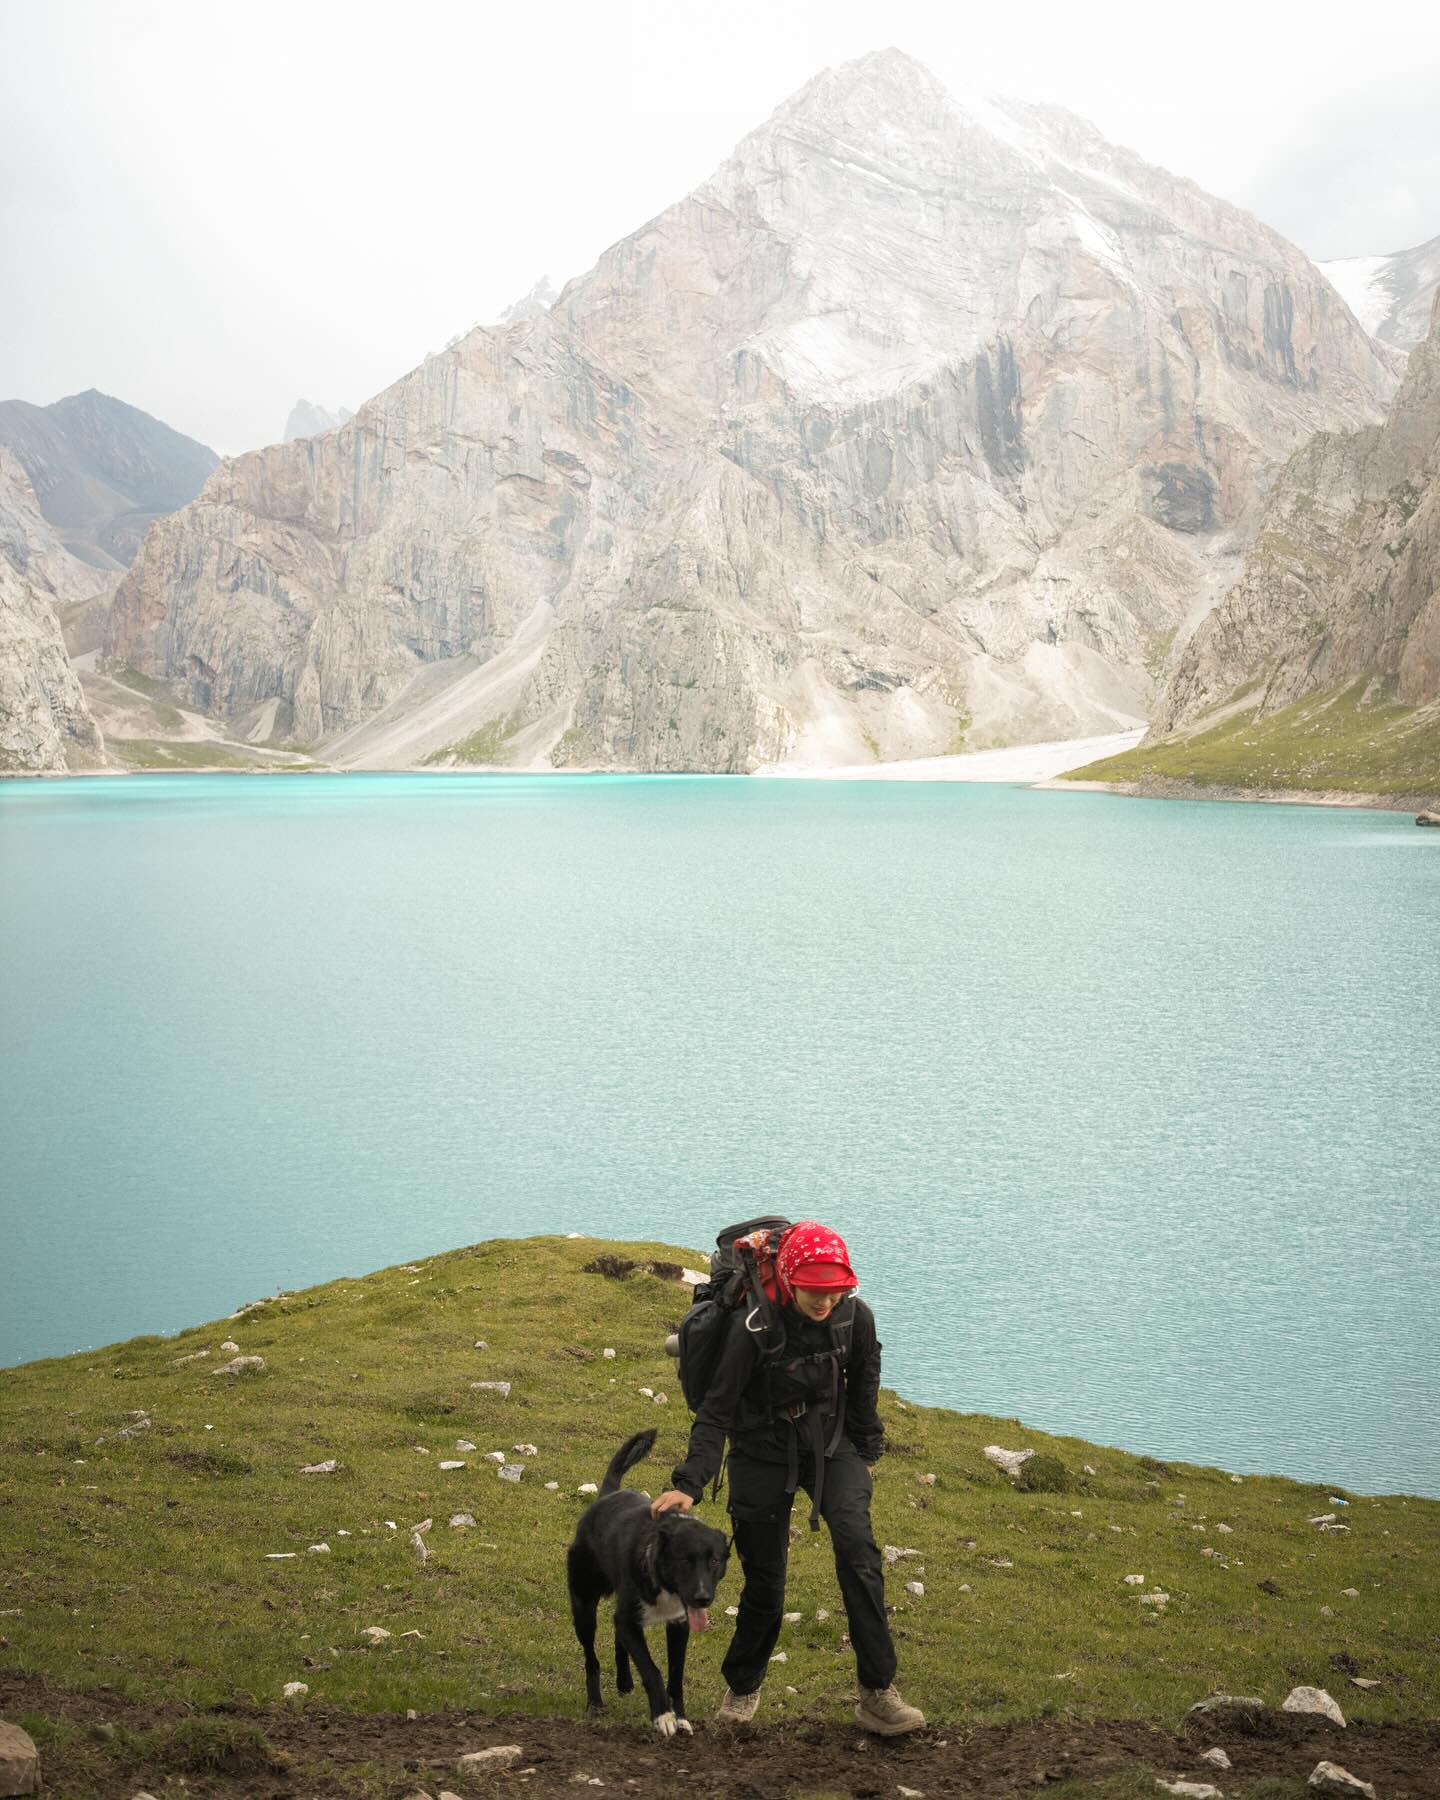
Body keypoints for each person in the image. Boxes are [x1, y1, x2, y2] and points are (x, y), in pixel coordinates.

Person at [649, 1221, 925, 1735]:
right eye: (814, 1292)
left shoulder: (854, 1318)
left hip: (830, 1443)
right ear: (791, 1279)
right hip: (760, 1448)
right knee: (767, 1580)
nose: (825, 1303)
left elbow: (864, 1380)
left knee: (860, 1552)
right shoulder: (752, 1327)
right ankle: (743, 1688)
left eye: (834, 1292)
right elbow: (716, 1411)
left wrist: (866, 1450)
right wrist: (689, 1482)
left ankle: (877, 1693)